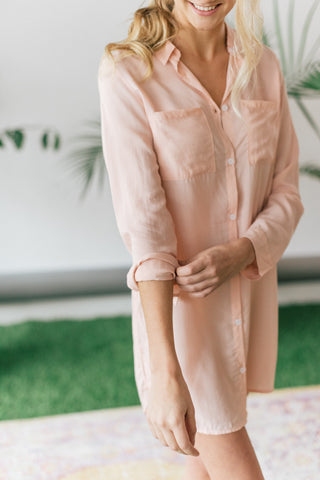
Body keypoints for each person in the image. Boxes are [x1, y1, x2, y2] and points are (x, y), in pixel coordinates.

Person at [97, 0, 304, 478]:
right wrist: (165, 371)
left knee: (202, 469)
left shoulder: (264, 68)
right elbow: (147, 234)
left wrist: (244, 251)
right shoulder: (128, 74)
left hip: (244, 312)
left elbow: (287, 194)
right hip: (183, 331)